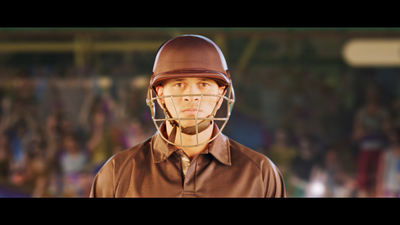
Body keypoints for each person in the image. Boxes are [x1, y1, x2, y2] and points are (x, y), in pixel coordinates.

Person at [90, 34, 286, 197]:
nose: (191, 97)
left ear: (220, 94)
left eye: (203, 84)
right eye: (179, 84)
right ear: (160, 94)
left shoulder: (260, 173)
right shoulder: (117, 172)